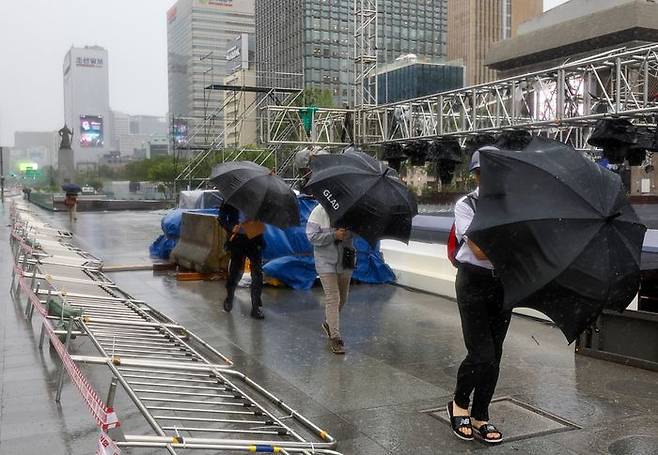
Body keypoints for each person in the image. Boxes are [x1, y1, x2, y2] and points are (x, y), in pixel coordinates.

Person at [447, 149, 511, 444]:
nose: (485, 179)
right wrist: (512, 243)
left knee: (494, 356)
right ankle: (459, 403)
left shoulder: (513, 205)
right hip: (473, 282)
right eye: (480, 173)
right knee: (481, 353)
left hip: (503, 285)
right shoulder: (466, 205)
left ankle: (480, 415)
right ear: (475, 175)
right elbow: (478, 250)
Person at [306, 203, 355, 354]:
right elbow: (312, 237)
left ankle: (329, 323)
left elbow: (358, 235)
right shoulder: (318, 212)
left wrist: (349, 233)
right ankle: (335, 337)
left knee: (343, 298)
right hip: (325, 262)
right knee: (333, 298)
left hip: (345, 261)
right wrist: (334, 235)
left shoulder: (350, 211)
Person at [219, 203, 265, 319]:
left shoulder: (259, 200)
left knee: (257, 273)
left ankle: (255, 307)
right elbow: (221, 218)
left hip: (255, 239)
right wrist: (231, 227)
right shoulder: (231, 200)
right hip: (238, 240)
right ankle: (229, 297)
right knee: (235, 272)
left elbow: (266, 216)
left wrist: (257, 220)